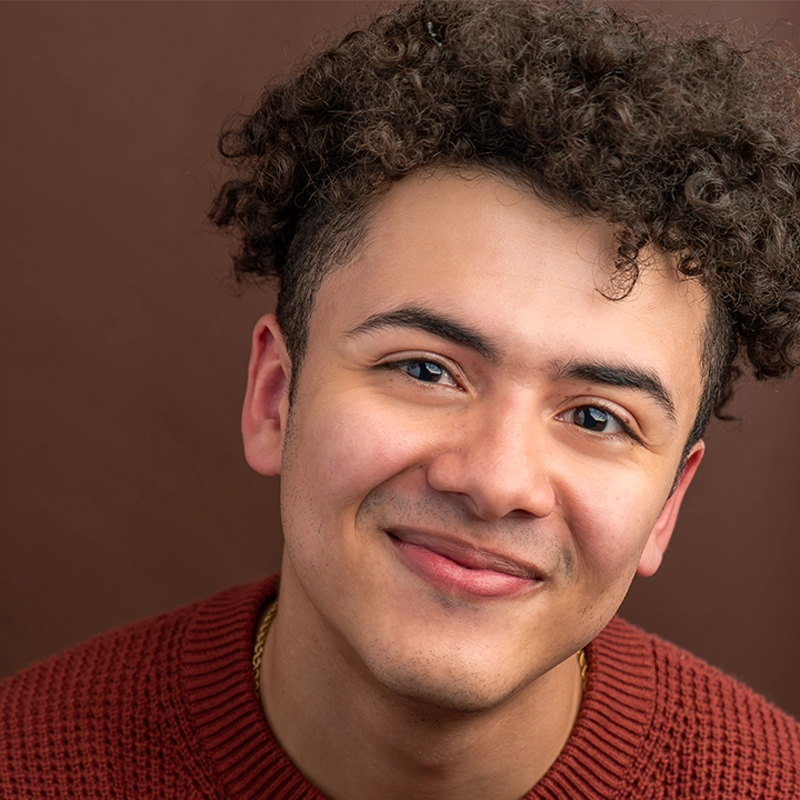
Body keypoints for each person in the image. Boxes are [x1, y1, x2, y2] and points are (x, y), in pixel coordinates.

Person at [2, 0, 800, 797]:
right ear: (276, 398)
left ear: (666, 506)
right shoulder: (26, 763)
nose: (494, 482)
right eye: (425, 370)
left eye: (596, 417)